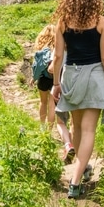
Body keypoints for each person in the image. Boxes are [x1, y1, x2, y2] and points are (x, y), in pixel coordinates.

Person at [50, 0, 104, 199]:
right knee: (89, 129)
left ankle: (81, 168)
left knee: (76, 127)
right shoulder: (101, 22)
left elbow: (58, 56)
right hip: (95, 76)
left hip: (71, 75)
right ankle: (76, 181)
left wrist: (56, 84)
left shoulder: (62, 22)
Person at [31, 24, 74, 156]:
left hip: (44, 78)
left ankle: (44, 128)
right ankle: (57, 131)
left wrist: (34, 77)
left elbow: (38, 65)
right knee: (53, 104)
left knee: (43, 102)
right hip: (58, 77)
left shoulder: (42, 47)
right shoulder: (58, 46)